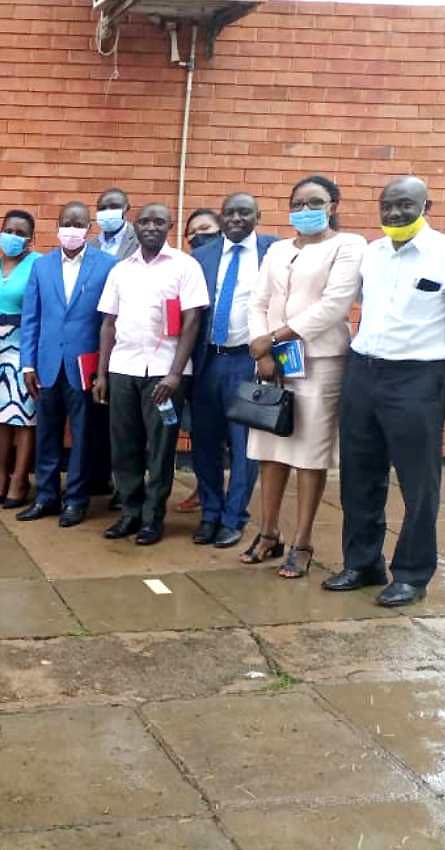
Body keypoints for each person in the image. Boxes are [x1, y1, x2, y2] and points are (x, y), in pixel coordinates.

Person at [324, 176, 445, 606]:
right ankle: (363, 563)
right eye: (387, 206)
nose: (395, 214)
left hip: (418, 378)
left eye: (405, 205)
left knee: (418, 481)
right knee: (358, 474)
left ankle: (412, 573)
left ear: (427, 206)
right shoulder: (372, 253)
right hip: (363, 372)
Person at [244, 175, 366, 578]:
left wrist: (274, 341)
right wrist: (260, 349)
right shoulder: (277, 249)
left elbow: (334, 305)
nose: (305, 209)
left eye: (315, 202)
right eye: (298, 203)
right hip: (271, 364)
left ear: (333, 204)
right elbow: (257, 301)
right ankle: (268, 533)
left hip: (319, 361)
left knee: (310, 454)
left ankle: (303, 542)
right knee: (270, 449)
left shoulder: (348, 246)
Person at [94, 203, 206, 545]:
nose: (151, 227)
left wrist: (174, 375)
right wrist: (101, 374)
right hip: (123, 368)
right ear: (135, 226)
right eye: (144, 221)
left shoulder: (186, 266)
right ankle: (130, 512)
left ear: (170, 226)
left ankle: (152, 518)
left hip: (164, 373)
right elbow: (108, 323)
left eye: (159, 221)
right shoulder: (121, 270)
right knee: (123, 445)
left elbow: (192, 322)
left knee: (159, 447)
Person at [18, 201, 118, 527]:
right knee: (45, 434)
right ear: (57, 225)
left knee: (83, 437)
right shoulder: (41, 266)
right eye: (66, 222)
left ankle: (76, 500)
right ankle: (45, 496)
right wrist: (27, 365)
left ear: (89, 228)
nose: (72, 229)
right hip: (46, 365)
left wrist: (104, 369)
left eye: (79, 223)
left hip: (84, 367)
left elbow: (110, 321)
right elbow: (30, 319)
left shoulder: (107, 265)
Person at [188, 194, 278, 549]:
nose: (237, 218)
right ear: (221, 217)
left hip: (249, 360)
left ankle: (233, 518)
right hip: (208, 359)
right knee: (204, 441)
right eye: (230, 212)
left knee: (244, 445)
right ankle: (210, 513)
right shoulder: (200, 257)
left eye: (245, 212)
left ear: (258, 215)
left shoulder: (275, 251)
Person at [0, 210, 40, 508]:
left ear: (30, 239)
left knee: (25, 418)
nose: (12, 236)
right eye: (8, 230)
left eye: (20, 232)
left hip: (25, 351)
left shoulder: (39, 265)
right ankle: (0, 476)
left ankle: (20, 478)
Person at [85, 187, 137, 507]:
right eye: (102, 206)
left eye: (114, 206)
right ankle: (99, 477)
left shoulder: (138, 243)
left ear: (126, 209)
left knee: (127, 423)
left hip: (129, 343)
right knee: (98, 415)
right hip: (96, 339)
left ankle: (126, 487)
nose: (107, 211)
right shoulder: (90, 245)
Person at [175, 206, 226, 515]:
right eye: (191, 233)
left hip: (226, 354)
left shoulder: (231, 263)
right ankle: (204, 488)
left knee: (229, 431)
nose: (197, 236)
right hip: (193, 357)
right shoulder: (187, 266)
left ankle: (226, 497)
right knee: (199, 429)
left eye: (204, 229)